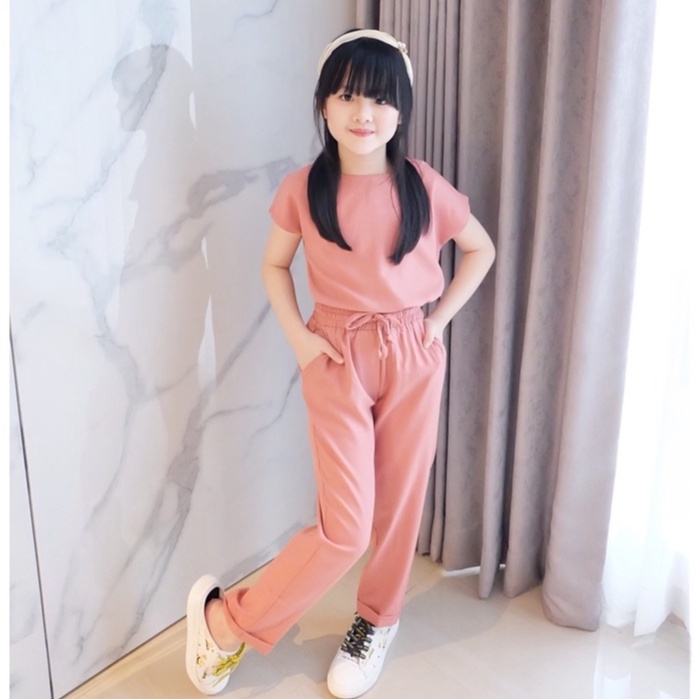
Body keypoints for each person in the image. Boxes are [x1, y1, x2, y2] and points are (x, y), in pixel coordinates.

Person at [185, 28, 495, 698]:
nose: (364, 112)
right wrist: (301, 339)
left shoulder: (422, 184)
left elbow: (480, 249)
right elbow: (273, 265)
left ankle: (376, 619)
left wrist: (434, 323)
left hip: (412, 351)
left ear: (401, 111)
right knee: (346, 526)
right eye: (348, 95)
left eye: (381, 99)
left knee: (401, 502)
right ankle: (227, 619)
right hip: (335, 352)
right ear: (323, 105)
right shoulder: (304, 188)